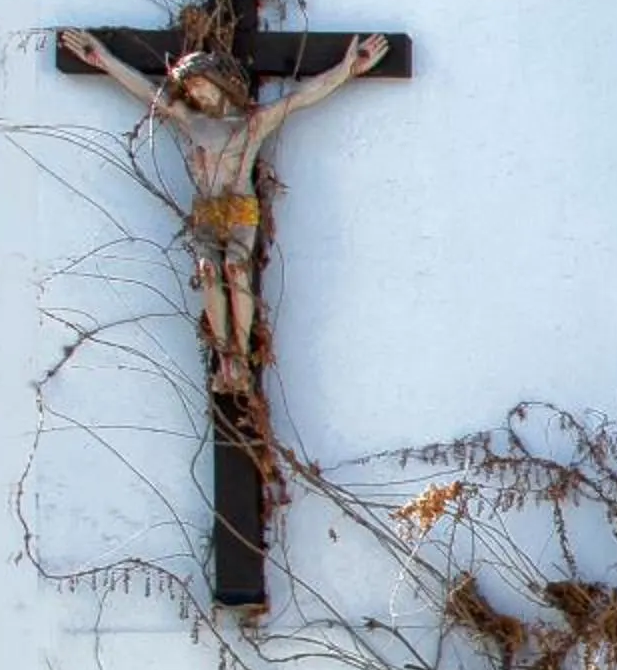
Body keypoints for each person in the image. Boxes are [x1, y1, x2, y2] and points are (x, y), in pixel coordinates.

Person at [57, 27, 390, 398]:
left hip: (240, 209)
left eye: (202, 86)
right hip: (207, 210)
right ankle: (223, 354)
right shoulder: (191, 120)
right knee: (208, 271)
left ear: (218, 83)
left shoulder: (251, 124)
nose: (197, 95)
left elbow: (299, 99)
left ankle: (240, 358)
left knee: (235, 268)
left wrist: (346, 71)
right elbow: (148, 92)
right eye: (192, 90)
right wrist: (103, 59)